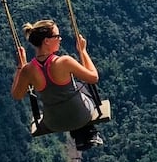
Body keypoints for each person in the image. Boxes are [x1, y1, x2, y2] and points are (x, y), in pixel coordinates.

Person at [11, 19, 104, 151]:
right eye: (57, 36)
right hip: (81, 116)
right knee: (81, 86)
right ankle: (88, 133)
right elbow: (93, 78)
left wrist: (20, 67)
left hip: (53, 123)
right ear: (46, 41)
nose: (60, 39)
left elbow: (17, 95)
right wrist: (83, 51)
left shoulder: (28, 70)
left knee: (66, 94)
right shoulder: (64, 61)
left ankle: (80, 135)